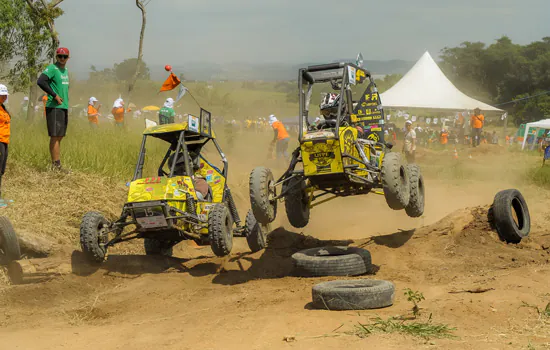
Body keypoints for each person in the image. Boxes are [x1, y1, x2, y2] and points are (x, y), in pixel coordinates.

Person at [37, 47, 70, 171]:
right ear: (56, 57)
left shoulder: (65, 70)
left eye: (65, 56)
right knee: (55, 136)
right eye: (60, 56)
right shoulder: (52, 68)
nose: (62, 59)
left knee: (60, 135)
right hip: (54, 106)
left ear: (68, 58)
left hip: (63, 106)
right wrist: (54, 95)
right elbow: (41, 81)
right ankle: (56, 166)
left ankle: (56, 164)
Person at [0, 85, 11, 201]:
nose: (4, 96)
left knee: (2, 169)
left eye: (5, 94)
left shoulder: (3, 108)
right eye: (1, 94)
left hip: (4, 140)